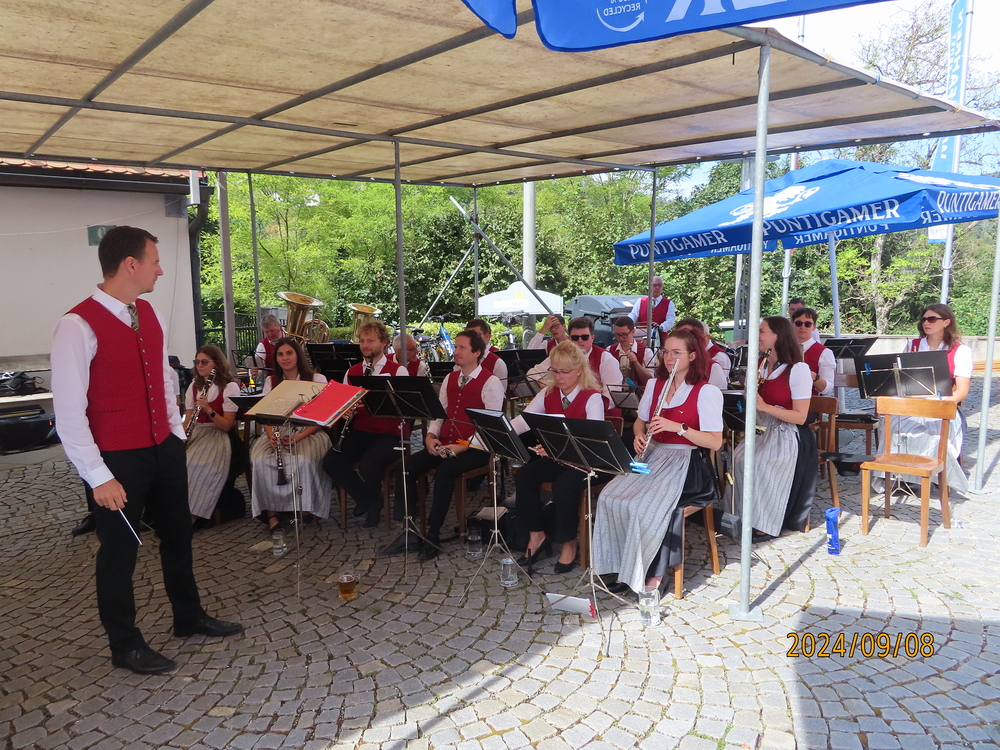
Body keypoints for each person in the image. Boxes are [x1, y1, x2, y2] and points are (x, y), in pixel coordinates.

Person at [51, 225, 242, 675]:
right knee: (119, 552)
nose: (160, 270)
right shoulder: (76, 325)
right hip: (117, 458)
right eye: (155, 261)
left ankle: (188, 615)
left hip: (163, 448)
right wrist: (98, 476)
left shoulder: (149, 313)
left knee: (178, 535)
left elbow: (163, 379)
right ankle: (125, 643)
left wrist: (174, 434)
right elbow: (69, 412)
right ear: (130, 264)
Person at [592, 328, 723, 594]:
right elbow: (640, 422)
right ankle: (621, 565)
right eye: (666, 352)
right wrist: (639, 436)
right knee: (609, 496)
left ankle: (653, 572)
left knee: (644, 507)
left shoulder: (706, 391)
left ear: (693, 356)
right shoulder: (655, 385)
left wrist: (679, 428)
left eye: (676, 353)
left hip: (685, 463)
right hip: (652, 455)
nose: (669, 358)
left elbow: (715, 442)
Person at [393, 330, 503, 561]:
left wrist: (463, 446)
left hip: (476, 448)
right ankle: (409, 528)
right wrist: (430, 436)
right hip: (446, 443)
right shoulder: (450, 378)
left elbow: (489, 427)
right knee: (405, 466)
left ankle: (432, 534)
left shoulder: (491, 382)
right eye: (456, 346)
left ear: (477, 352)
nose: (456, 351)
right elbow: (439, 414)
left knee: (445, 472)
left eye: (462, 347)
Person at [510, 342, 607, 574]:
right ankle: (536, 534)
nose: (558, 377)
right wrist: (495, 431)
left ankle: (570, 543)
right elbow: (523, 421)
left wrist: (557, 449)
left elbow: (592, 442)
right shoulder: (548, 393)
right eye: (554, 371)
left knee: (563, 486)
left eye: (564, 372)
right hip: (559, 458)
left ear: (579, 371)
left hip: (588, 462)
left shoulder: (592, 397)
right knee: (525, 475)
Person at [731, 317, 815, 541]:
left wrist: (765, 407)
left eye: (761, 331)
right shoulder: (760, 365)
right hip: (762, 428)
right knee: (738, 457)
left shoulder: (798, 369)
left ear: (777, 336)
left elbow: (801, 417)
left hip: (787, 433)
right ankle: (744, 516)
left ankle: (765, 523)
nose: (756, 336)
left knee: (761, 462)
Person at [323, 321, 407, 527]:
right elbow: (342, 406)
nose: (365, 345)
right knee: (331, 462)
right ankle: (370, 500)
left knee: (369, 464)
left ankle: (371, 506)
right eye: (362, 341)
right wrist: (345, 412)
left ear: (384, 343)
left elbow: (404, 408)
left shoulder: (398, 371)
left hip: (389, 434)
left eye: (370, 341)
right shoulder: (352, 372)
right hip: (360, 431)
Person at [889, 304, 972, 494]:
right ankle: (903, 475)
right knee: (894, 425)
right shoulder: (913, 346)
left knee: (933, 430)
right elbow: (901, 379)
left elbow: (962, 390)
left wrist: (940, 405)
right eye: (924, 319)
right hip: (914, 403)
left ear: (946, 322)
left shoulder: (960, 351)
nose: (926, 322)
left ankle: (935, 475)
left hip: (943, 404)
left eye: (932, 319)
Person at [250, 337, 331, 529]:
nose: (285, 358)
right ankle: (272, 513)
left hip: (309, 431)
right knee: (260, 460)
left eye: (289, 353)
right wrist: (272, 436)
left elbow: (323, 417)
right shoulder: (271, 382)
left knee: (303, 460)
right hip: (277, 430)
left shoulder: (317, 379)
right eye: (280, 354)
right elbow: (265, 416)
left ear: (298, 355)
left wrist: (299, 436)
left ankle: (305, 509)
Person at [183, 345, 240, 522]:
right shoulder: (194, 386)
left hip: (218, 435)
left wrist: (208, 409)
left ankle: (194, 515)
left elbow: (227, 425)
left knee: (193, 464)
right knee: (174, 463)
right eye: (197, 362)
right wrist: (182, 438)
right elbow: (188, 419)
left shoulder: (230, 387)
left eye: (204, 362)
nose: (199, 365)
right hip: (197, 433)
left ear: (216, 363)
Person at [527, 317, 623, 414]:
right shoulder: (561, 356)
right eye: (575, 338)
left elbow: (612, 395)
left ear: (592, 338)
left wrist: (590, 406)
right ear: (569, 339)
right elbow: (531, 373)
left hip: (603, 415)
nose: (580, 341)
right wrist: (545, 384)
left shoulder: (606, 358)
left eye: (585, 337)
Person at [673, 317, 729, 391]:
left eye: (689, 336)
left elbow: (719, 394)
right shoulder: (670, 362)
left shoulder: (715, 364)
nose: (682, 340)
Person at [790, 307, 835, 396]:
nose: (803, 327)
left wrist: (813, 376)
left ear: (814, 327)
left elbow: (827, 389)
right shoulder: (782, 348)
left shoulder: (825, 353)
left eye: (808, 324)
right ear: (792, 325)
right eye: (798, 323)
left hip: (810, 402)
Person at [608, 316, 655, 387]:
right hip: (615, 391)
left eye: (624, 334)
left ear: (633, 332)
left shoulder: (646, 352)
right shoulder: (609, 350)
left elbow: (649, 380)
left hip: (639, 393)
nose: (621, 338)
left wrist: (636, 363)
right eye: (617, 335)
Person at [465, 318, 508, 388]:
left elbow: (501, 391)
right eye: (468, 335)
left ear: (487, 336)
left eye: (476, 335)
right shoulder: (463, 357)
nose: (471, 339)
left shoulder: (497, 361)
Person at [252, 314, 284, 379]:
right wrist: (255, 373)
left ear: (280, 326)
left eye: (272, 330)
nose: (270, 334)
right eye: (266, 332)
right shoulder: (262, 345)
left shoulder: (293, 338)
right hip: (274, 381)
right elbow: (258, 365)